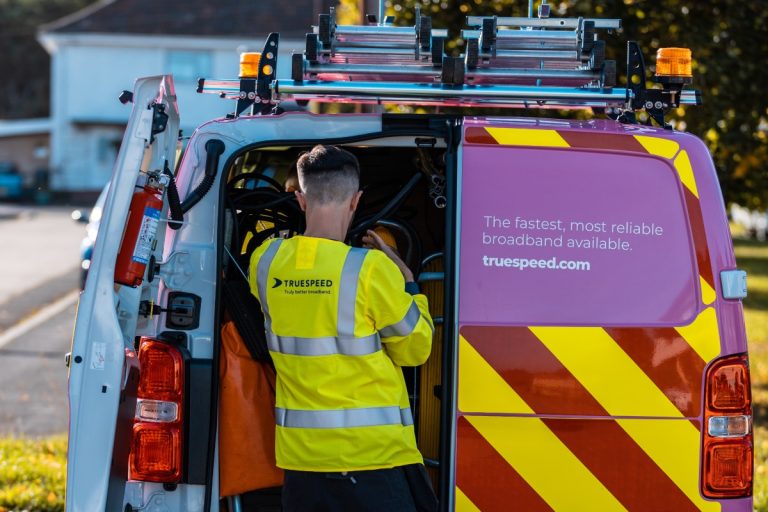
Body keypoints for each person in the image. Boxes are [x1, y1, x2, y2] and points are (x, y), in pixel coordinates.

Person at [248, 144, 437, 511]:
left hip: (303, 464)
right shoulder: (371, 269)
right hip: (374, 460)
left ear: (301, 200)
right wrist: (409, 283)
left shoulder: (265, 261)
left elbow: (308, 285)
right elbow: (416, 349)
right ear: (356, 200)